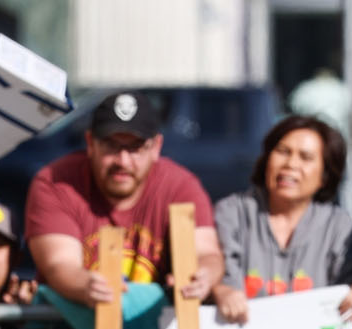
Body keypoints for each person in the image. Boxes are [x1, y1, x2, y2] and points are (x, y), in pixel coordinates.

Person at [25, 90, 223, 308]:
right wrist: (85, 285)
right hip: (69, 326)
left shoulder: (181, 188)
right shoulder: (56, 182)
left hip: (157, 326)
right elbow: (59, 264)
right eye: (111, 145)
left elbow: (206, 253)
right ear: (90, 143)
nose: (123, 161)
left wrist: (203, 276)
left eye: (135, 147)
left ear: (156, 147)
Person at [213, 114, 352, 325]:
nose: (291, 163)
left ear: (325, 175)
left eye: (305, 157)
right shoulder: (231, 213)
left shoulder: (339, 227)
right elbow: (221, 279)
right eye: (283, 151)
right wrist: (222, 291)